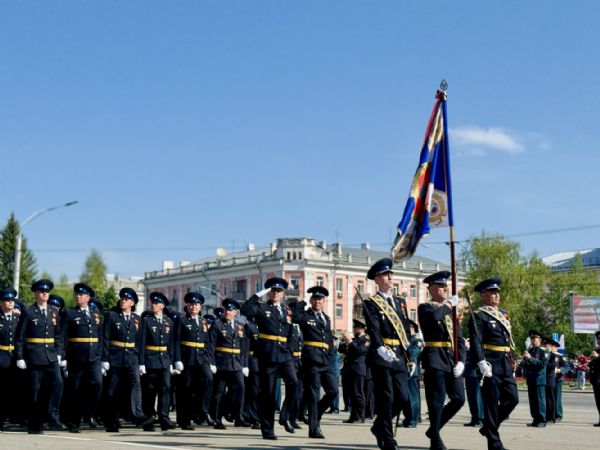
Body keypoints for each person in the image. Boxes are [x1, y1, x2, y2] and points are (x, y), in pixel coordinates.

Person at [362, 258, 412, 450]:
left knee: (403, 398)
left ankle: (378, 426)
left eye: (391, 274)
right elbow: (373, 328)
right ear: (377, 279)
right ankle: (389, 439)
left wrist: (409, 355)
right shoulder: (372, 303)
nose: (390, 277)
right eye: (385, 274)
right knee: (387, 398)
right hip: (382, 356)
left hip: (399, 355)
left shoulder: (400, 302)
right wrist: (380, 347)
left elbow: (405, 329)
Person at [240, 277, 298, 440]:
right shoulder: (261, 307)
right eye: (273, 290)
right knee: (268, 394)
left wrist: (290, 350)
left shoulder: (287, 310)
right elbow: (245, 310)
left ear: (283, 293)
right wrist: (257, 295)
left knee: (294, 383)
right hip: (267, 354)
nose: (276, 293)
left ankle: (285, 416)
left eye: (279, 291)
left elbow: (290, 332)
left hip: (284, 354)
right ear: (268, 292)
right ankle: (268, 430)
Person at [468, 278, 518, 450]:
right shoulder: (478, 315)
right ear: (483, 295)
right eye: (492, 292)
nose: (497, 295)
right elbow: (476, 341)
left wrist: (512, 359)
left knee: (512, 399)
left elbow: (507, 340)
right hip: (490, 363)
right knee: (491, 405)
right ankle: (495, 444)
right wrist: (481, 361)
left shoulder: (503, 314)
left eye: (497, 292)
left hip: (505, 363)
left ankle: (488, 428)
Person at [418, 271, 465, 450]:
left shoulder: (450, 311)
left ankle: (434, 429)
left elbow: (459, 339)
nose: (445, 289)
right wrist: (449, 304)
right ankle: (435, 440)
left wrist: (461, 360)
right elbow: (436, 316)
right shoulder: (425, 308)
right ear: (430, 288)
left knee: (459, 399)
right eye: (440, 286)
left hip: (451, 358)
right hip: (434, 358)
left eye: (446, 286)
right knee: (436, 401)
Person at [15, 279, 65, 434]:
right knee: (35, 391)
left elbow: (58, 335)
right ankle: (34, 424)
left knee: (57, 383)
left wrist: (59, 353)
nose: (44, 293)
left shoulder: (54, 311)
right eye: (41, 291)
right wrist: (19, 357)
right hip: (35, 356)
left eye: (47, 291)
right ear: (36, 293)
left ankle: (50, 416)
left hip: (51, 356)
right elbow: (20, 336)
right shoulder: (29, 312)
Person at [101, 288, 151, 432]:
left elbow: (140, 342)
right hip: (115, 357)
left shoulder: (137, 319)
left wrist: (141, 362)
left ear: (132, 303)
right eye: (122, 298)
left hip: (132, 358)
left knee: (135, 385)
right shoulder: (112, 316)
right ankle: (111, 420)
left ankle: (138, 415)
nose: (123, 301)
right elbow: (105, 338)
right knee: (113, 389)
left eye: (127, 299)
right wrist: (105, 359)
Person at [292, 286, 337, 439]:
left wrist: (330, 354)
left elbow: (329, 339)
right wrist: (302, 302)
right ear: (311, 301)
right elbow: (294, 317)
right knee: (313, 394)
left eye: (320, 299)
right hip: (311, 360)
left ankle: (316, 414)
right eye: (315, 299)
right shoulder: (305, 316)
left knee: (333, 391)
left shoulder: (327, 318)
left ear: (324, 301)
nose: (318, 301)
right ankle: (313, 428)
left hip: (326, 360)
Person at [60, 283, 104, 433]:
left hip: (94, 357)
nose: (78, 297)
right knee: (75, 389)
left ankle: (88, 413)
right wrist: (63, 356)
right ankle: (73, 422)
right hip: (76, 357)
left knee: (97, 384)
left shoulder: (95, 313)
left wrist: (102, 356)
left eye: (81, 295)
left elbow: (99, 336)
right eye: (77, 294)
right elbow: (63, 336)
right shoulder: (70, 313)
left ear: (88, 297)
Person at [173, 292, 215, 430]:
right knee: (185, 389)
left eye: (196, 304)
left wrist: (211, 361)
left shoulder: (203, 322)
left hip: (202, 358)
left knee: (208, 379)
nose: (193, 307)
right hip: (187, 358)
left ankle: (203, 409)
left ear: (200, 306)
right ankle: (183, 420)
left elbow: (208, 343)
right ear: (187, 306)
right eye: (191, 304)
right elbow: (176, 341)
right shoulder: (181, 320)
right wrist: (177, 360)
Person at [139, 292, 176, 431]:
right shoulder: (147, 321)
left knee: (165, 389)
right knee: (150, 390)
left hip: (164, 360)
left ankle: (164, 418)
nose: (153, 305)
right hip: (151, 359)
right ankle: (148, 419)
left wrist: (171, 361)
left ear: (162, 306)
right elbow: (142, 342)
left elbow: (171, 343)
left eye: (156, 303)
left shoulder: (168, 322)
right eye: (152, 303)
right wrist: (141, 362)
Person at [210, 298, 248, 429]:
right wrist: (212, 362)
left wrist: (245, 364)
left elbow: (244, 347)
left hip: (236, 364)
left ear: (235, 313)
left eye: (230, 310)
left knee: (240, 389)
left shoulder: (240, 326)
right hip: (222, 363)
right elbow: (211, 345)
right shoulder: (217, 324)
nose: (228, 312)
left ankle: (238, 417)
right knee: (219, 392)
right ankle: (217, 419)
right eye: (226, 310)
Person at [339, 319, 369, 424]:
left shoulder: (366, 340)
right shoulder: (354, 340)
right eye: (354, 328)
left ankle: (360, 416)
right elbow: (341, 350)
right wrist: (344, 341)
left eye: (356, 328)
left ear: (361, 329)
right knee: (351, 394)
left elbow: (359, 351)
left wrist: (350, 342)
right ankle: (353, 416)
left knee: (358, 393)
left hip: (358, 370)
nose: (354, 330)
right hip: (349, 370)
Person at [0, 288, 19, 432]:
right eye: (7, 300)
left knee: (13, 390)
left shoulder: (18, 318)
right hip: (1, 356)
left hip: (15, 358)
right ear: (1, 303)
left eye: (12, 300)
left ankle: (13, 417)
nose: (10, 302)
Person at [522, 330, 547, 427]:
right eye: (531, 339)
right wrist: (524, 359)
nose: (532, 341)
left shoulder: (543, 351)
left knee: (540, 401)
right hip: (531, 379)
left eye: (534, 339)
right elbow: (525, 364)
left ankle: (542, 420)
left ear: (540, 340)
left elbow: (542, 364)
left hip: (539, 379)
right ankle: (535, 419)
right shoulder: (530, 350)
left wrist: (530, 358)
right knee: (532, 401)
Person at [463, 338, 484, 427]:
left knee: (477, 398)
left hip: (476, 375)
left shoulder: (477, 349)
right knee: (471, 399)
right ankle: (474, 418)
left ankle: (480, 419)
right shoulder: (468, 350)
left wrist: (469, 347)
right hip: (469, 375)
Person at [405, 334, 423, 428]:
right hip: (409, 372)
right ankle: (409, 419)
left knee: (412, 398)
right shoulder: (410, 340)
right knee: (408, 398)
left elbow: (414, 353)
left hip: (412, 372)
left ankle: (413, 420)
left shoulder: (415, 342)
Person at [543, 336, 559, 424]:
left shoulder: (553, 355)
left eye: (546, 345)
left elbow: (552, 366)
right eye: (544, 345)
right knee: (546, 400)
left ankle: (552, 418)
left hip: (550, 380)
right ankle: (546, 416)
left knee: (550, 400)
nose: (545, 346)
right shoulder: (545, 354)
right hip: (544, 380)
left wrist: (544, 363)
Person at [590, 331, 600, 426]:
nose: (598, 340)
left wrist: (598, 357)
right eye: (598, 338)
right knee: (598, 401)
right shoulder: (597, 349)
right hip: (596, 379)